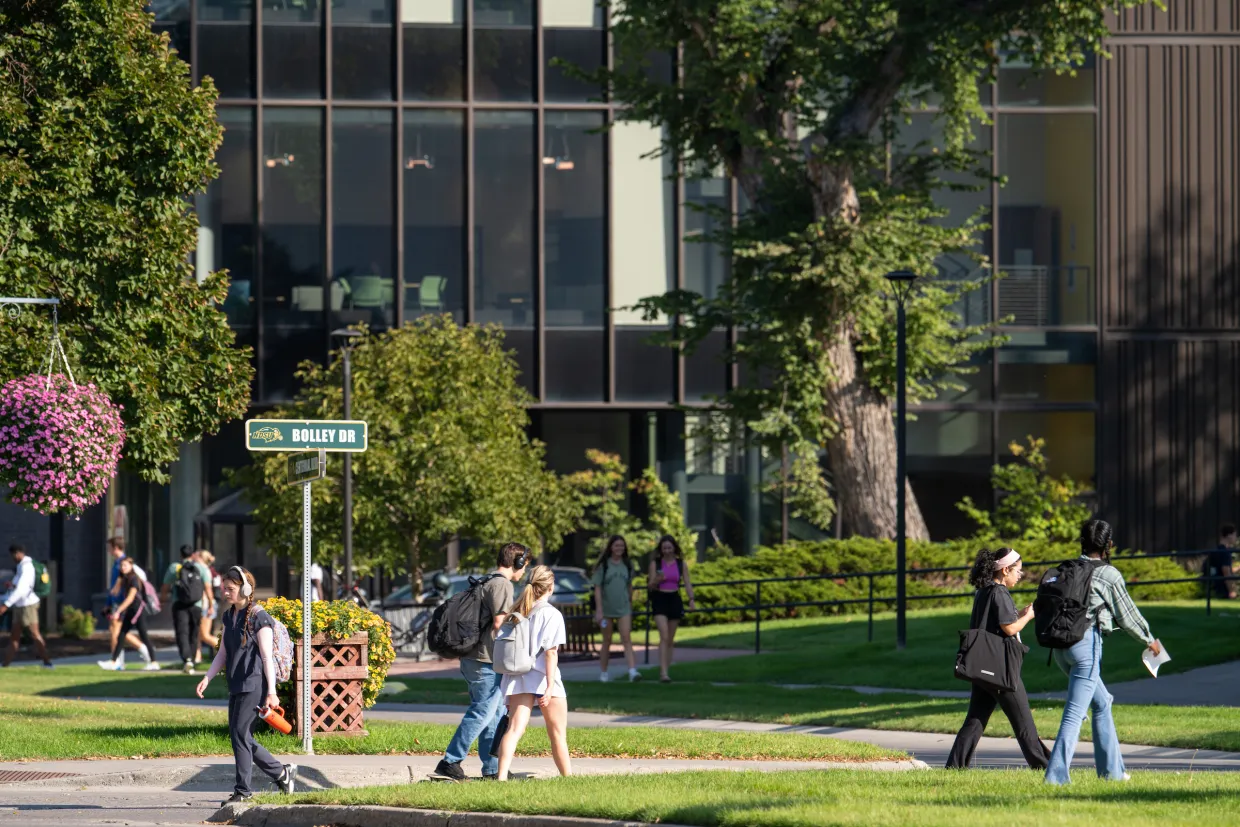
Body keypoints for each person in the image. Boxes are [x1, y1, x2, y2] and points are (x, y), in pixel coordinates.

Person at [1045, 519, 1162, 785]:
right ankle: (1055, 778)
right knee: (1075, 713)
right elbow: (1128, 615)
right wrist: (1150, 640)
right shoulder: (1109, 574)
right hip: (1086, 647)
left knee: (1102, 702)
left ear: (1082, 542)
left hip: (1061, 649)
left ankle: (1113, 773)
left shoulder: (1068, 568)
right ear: (1109, 545)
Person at [196, 566, 298, 803]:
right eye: (224, 589)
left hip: (254, 684)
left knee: (241, 734)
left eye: (230, 589)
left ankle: (243, 791)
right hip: (236, 682)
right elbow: (222, 653)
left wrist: (272, 692)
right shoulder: (228, 615)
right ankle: (282, 773)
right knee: (238, 735)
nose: (225, 593)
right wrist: (207, 677)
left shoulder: (259, 617)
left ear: (246, 589)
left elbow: (266, 656)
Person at [431, 542, 531, 782]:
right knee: (483, 711)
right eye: (524, 565)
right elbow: (499, 624)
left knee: (494, 714)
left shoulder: (488, 581)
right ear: (517, 562)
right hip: (484, 659)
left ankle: (493, 769)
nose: (525, 570)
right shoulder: (502, 585)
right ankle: (450, 761)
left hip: (476, 658)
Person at [946, 547, 1050, 770]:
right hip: (1001, 669)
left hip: (983, 667)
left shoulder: (983, 591)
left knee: (975, 721)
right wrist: (1029, 616)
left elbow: (996, 624)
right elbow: (1010, 629)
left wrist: (1019, 615)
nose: (1019, 575)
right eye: (1018, 571)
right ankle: (1047, 767)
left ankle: (954, 767)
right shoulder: (1000, 593)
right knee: (1024, 724)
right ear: (1005, 570)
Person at [495, 565, 571, 781]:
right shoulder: (552, 614)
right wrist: (548, 687)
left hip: (518, 675)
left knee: (514, 729)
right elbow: (551, 654)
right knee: (557, 733)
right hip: (544, 677)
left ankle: (501, 777)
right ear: (551, 586)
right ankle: (568, 778)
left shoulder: (518, 610)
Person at [591, 534, 640, 683]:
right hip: (606, 609)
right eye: (616, 545)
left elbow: (630, 586)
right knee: (607, 640)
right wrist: (599, 610)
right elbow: (597, 588)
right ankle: (604, 673)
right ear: (611, 547)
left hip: (623, 608)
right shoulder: (604, 566)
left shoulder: (627, 565)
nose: (619, 548)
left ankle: (632, 671)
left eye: (622, 546)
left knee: (626, 638)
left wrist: (630, 602)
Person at [647, 534, 695, 683]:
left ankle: (666, 669)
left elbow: (687, 582)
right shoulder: (656, 564)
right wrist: (657, 580)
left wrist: (691, 599)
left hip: (674, 598)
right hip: (660, 599)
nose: (667, 550)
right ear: (661, 549)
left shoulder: (681, 564)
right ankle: (663, 673)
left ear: (674, 548)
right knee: (664, 635)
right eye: (664, 548)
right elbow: (649, 586)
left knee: (670, 639)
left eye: (669, 547)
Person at [98, 557, 160, 672]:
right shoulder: (125, 578)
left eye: (125, 565)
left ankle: (154, 662)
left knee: (144, 636)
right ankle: (113, 662)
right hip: (131, 610)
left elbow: (131, 598)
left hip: (138, 610)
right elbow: (114, 592)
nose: (123, 568)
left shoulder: (134, 579)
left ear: (131, 566)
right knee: (121, 635)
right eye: (121, 566)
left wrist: (118, 611)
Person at [162, 545, 214, 674]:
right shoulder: (201, 568)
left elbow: (165, 587)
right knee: (194, 633)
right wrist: (211, 605)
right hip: (197, 605)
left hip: (179, 604)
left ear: (180, 555)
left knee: (182, 633)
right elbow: (208, 588)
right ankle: (192, 659)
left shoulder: (175, 568)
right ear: (192, 555)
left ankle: (187, 660)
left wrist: (163, 599)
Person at [0, 544, 53, 668]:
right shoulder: (20, 567)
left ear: (18, 553)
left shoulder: (27, 567)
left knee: (34, 634)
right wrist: (11, 586)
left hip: (28, 606)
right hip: (19, 606)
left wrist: (6, 605)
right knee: (14, 636)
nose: (12, 558)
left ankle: (48, 662)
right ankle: (5, 665)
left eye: (13, 555)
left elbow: (22, 590)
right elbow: (18, 587)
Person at [106, 538, 149, 667]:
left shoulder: (123, 564)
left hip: (122, 602)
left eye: (109, 547)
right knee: (118, 630)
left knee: (116, 630)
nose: (108, 550)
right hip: (116, 601)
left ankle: (117, 661)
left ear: (115, 547)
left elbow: (123, 585)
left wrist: (119, 605)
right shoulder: (116, 563)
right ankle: (140, 649)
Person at [197, 551, 222, 665]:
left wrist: (210, 605)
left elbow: (208, 589)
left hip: (206, 605)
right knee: (198, 634)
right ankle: (197, 657)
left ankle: (229, 650)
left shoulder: (205, 571)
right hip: (207, 604)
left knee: (204, 635)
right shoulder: (211, 572)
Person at [1207, 524, 1237, 600]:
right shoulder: (1225, 553)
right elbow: (1226, 572)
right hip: (1223, 589)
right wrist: (1231, 591)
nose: (1235, 538)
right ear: (1229, 535)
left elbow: (1225, 569)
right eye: (1234, 535)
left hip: (1215, 586)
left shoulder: (1217, 550)